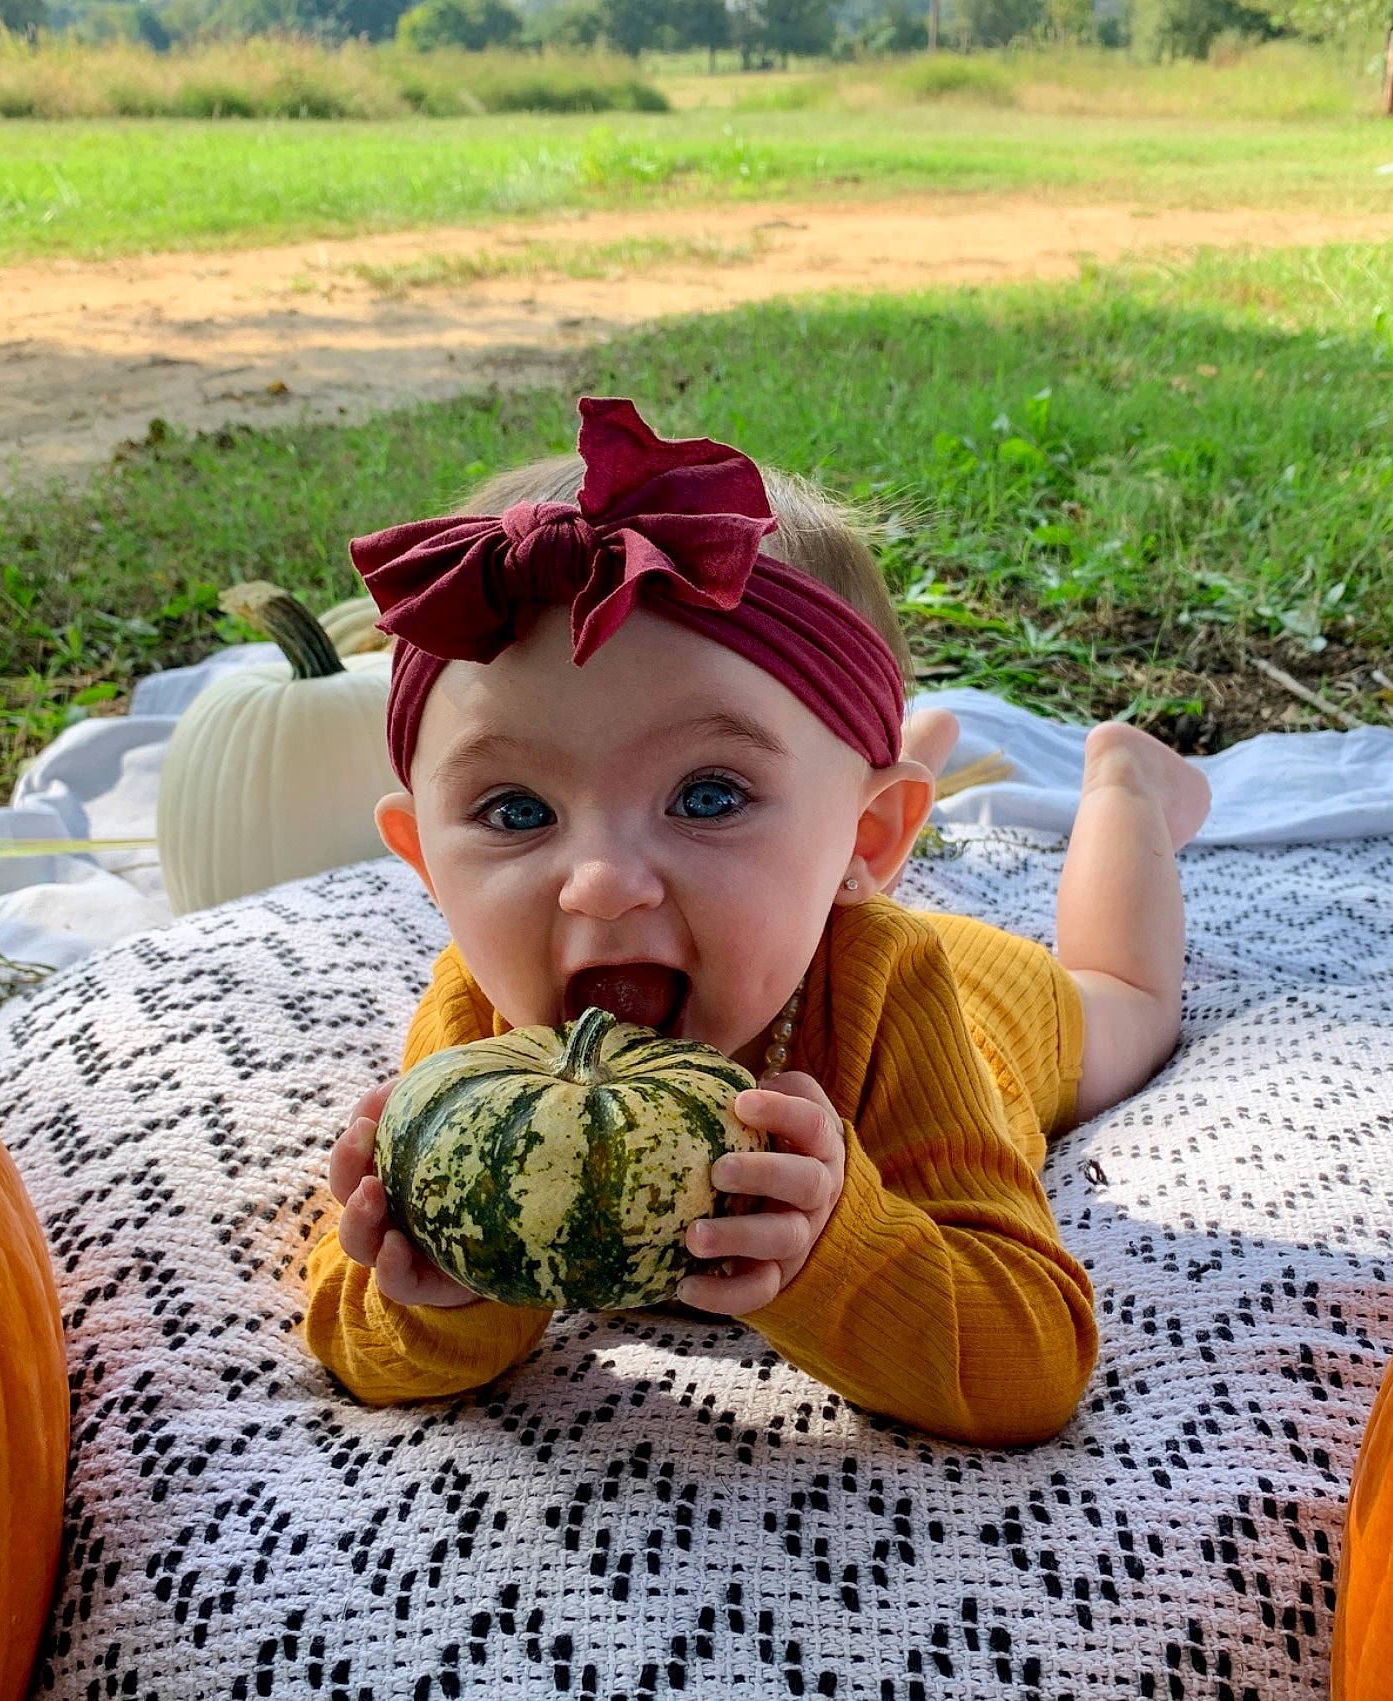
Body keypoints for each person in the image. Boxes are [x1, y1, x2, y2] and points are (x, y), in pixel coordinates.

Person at [302, 398, 1210, 1448]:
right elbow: (352, 1331)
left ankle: (1124, 785)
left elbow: (1030, 1362)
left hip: (988, 1010)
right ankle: (856, 758)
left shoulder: (889, 995)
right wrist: (440, 1290)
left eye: (706, 795)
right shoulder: (476, 1024)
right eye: (515, 811)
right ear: (422, 862)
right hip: (821, 873)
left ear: (869, 841)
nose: (599, 883)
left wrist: (839, 1252)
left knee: (1124, 999)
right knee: (813, 767)